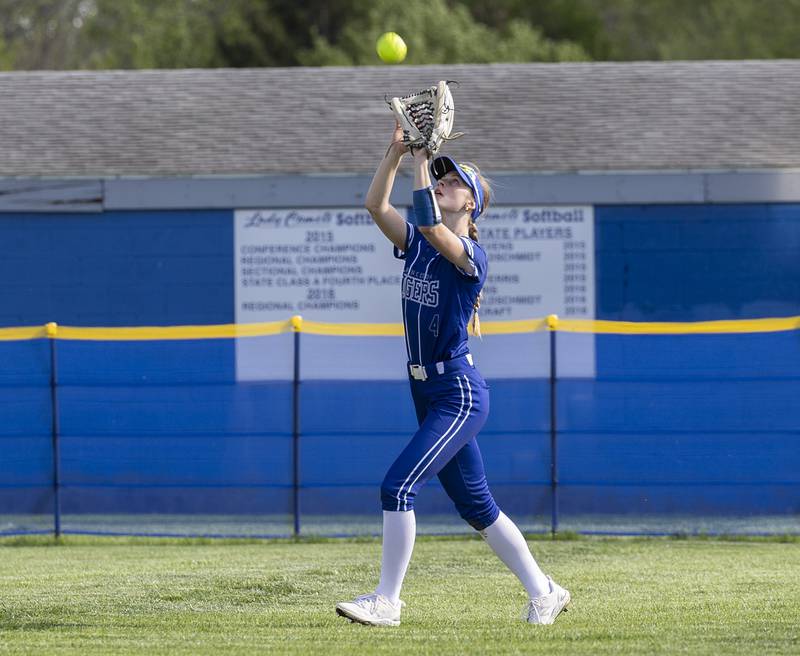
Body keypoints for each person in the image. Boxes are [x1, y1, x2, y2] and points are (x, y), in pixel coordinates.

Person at [335, 123, 570, 627]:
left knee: (397, 487)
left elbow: (426, 223)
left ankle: (387, 602)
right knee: (477, 505)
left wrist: (424, 158)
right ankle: (545, 590)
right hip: (425, 388)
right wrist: (397, 152)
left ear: (471, 205)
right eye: (439, 176)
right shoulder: (420, 243)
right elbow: (376, 206)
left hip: (458, 393)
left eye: (453, 180)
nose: (443, 182)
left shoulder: (470, 257)